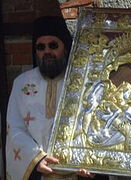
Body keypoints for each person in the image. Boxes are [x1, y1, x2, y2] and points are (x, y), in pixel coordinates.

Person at [5, 15, 74, 180]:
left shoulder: (79, 80)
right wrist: (37, 158)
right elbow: (14, 128)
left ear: (65, 47)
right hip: (38, 171)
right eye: (41, 47)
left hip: (77, 170)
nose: (47, 52)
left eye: (53, 45)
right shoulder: (22, 83)